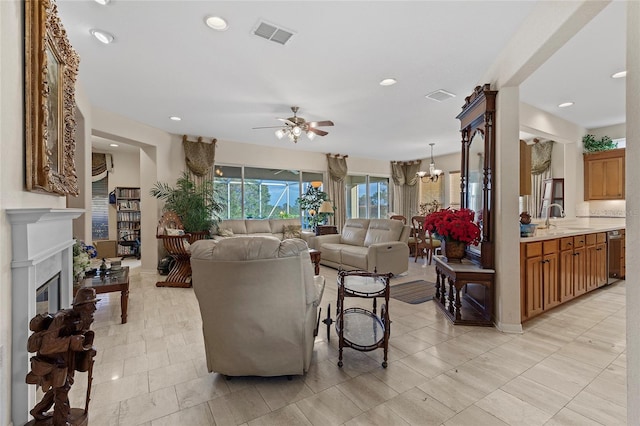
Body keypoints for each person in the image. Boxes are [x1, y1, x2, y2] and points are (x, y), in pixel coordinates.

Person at [26, 287, 98, 424]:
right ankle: (61, 421)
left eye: (95, 303)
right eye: (90, 305)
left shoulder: (82, 319)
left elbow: (80, 339)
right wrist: (71, 341)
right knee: (62, 391)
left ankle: (38, 410)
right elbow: (47, 345)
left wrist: (87, 349)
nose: (94, 308)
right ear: (80, 306)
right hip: (53, 362)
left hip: (66, 360)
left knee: (63, 388)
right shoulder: (62, 319)